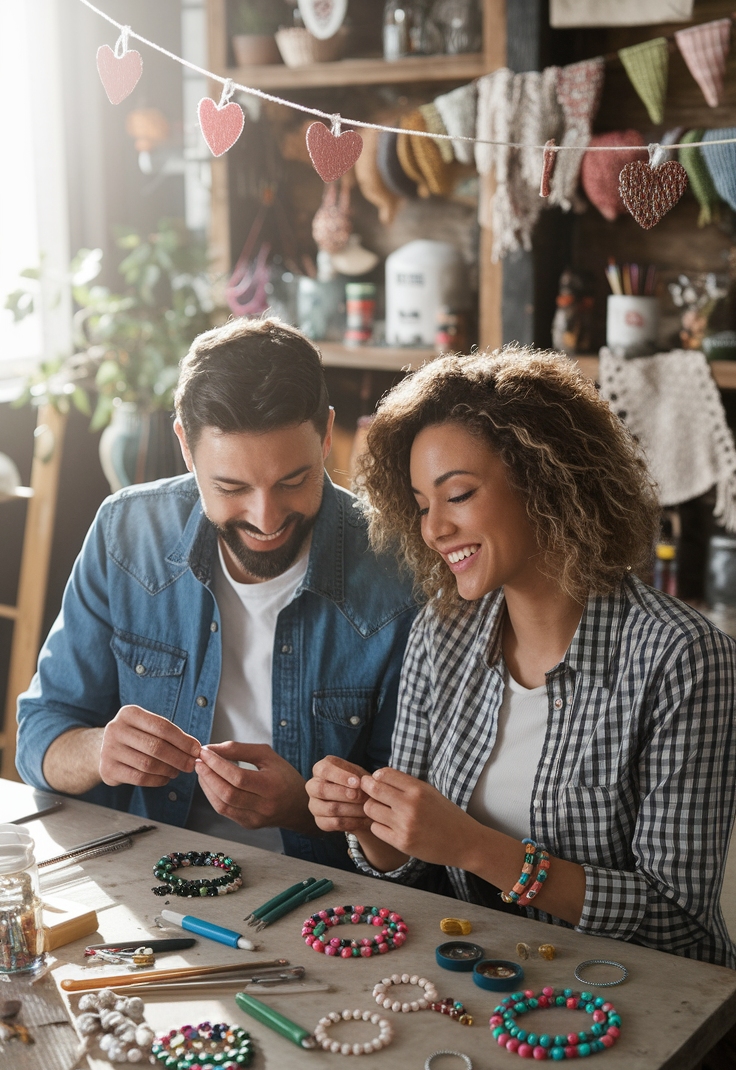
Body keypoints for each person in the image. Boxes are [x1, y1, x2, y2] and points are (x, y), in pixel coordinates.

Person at [307, 347, 736, 965]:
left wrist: (476, 848)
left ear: (545, 482)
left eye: (458, 495)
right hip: (487, 980)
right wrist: (371, 824)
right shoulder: (441, 632)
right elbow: (415, 871)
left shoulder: (683, 659)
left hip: (639, 997)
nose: (433, 529)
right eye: (423, 506)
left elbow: (678, 921)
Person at [16, 318, 417, 869]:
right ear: (185, 445)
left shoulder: (398, 572)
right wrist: (99, 751)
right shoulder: (126, 533)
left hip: (320, 888)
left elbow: (414, 843)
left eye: (293, 481)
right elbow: (38, 737)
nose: (266, 518)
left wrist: (302, 809)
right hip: (144, 869)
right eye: (231, 487)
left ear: (326, 434)